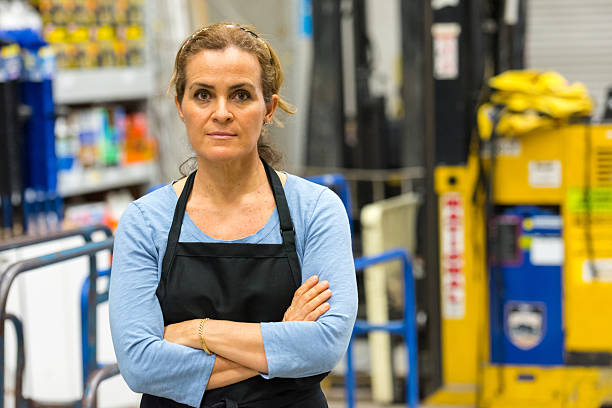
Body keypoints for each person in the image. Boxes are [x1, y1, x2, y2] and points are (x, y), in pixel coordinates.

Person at [109, 22, 357, 408]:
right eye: (203, 95)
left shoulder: (316, 209)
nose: (221, 113)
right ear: (180, 106)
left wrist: (198, 332)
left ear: (269, 108)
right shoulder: (146, 221)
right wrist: (283, 337)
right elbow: (141, 366)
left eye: (241, 95)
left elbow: (324, 346)